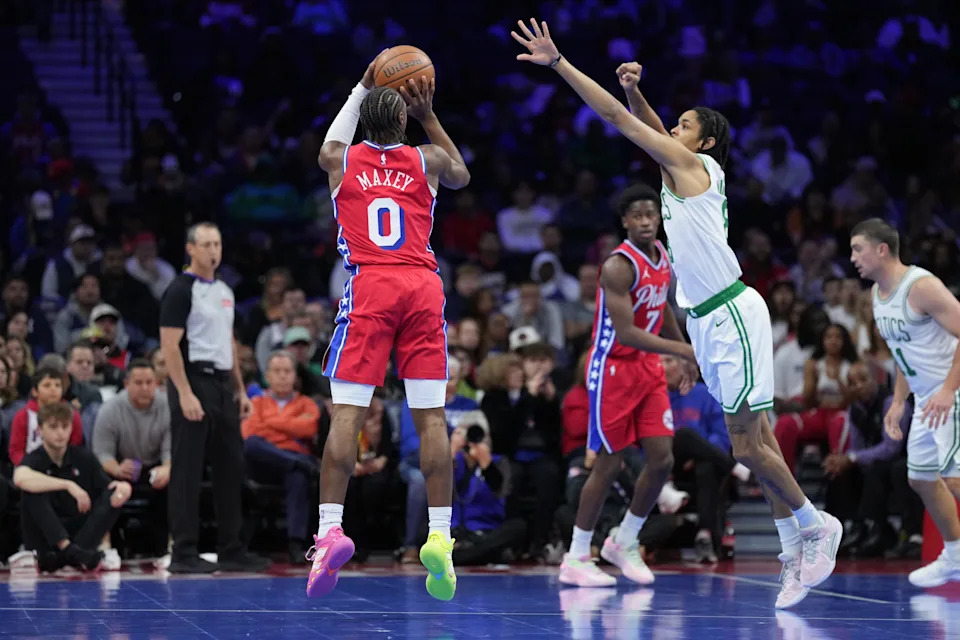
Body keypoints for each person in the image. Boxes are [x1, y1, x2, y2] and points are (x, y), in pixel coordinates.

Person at [512, 19, 841, 609]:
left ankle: (816, 524)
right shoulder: (684, 167)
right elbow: (650, 127)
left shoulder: (691, 169)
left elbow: (621, 122)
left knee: (745, 447)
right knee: (758, 440)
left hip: (730, 313)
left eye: (685, 125)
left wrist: (561, 63)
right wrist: (640, 91)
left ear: (704, 144)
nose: (673, 128)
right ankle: (794, 546)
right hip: (712, 319)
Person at [308, 52, 470, 601]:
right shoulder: (425, 159)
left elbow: (330, 142)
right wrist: (426, 116)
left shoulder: (341, 162)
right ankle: (441, 539)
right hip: (422, 287)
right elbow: (463, 173)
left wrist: (362, 83)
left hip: (372, 287)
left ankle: (330, 530)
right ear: (401, 119)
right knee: (431, 421)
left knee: (347, 414)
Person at [557, 183, 696, 588]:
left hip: (648, 367)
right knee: (610, 463)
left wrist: (683, 350)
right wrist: (685, 352)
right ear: (625, 222)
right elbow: (629, 333)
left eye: (651, 214)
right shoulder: (618, 266)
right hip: (614, 368)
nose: (645, 221)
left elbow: (662, 307)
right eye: (637, 215)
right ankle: (577, 555)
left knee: (662, 459)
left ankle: (625, 540)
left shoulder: (663, 256)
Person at [850, 218, 960, 587]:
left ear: (882, 250)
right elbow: (902, 352)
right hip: (927, 398)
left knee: (954, 478)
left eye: (857, 249)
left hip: (952, 393)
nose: (852, 258)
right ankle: (956, 557)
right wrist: (899, 401)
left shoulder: (922, 286)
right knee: (921, 478)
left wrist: (947, 390)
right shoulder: (877, 296)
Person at [159, 222, 269, 574]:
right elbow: (169, 347)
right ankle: (184, 552)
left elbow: (229, 344)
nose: (213, 251)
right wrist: (184, 392)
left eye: (217, 244)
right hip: (191, 378)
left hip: (222, 383)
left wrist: (239, 388)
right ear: (190, 248)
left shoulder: (224, 290)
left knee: (230, 467)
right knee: (188, 469)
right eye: (206, 244)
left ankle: (231, 548)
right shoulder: (179, 289)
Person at [13, 401, 131, 572]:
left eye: (65, 426)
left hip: (79, 533)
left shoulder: (83, 457)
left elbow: (108, 487)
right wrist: (68, 485)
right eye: (53, 427)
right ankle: (72, 553)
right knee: (31, 490)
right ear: (40, 430)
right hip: (46, 535)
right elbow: (20, 478)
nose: (60, 433)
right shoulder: (34, 459)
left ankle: (70, 556)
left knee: (115, 495)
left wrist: (123, 488)